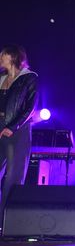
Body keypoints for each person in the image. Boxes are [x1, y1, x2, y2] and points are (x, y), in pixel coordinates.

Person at [0, 44, 38, 228]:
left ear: (14, 57)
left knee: (13, 176)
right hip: (1, 126)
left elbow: (30, 107)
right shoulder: (1, 78)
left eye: (4, 55)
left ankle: (6, 220)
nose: (1, 58)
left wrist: (13, 126)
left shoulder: (29, 78)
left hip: (17, 129)